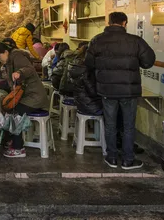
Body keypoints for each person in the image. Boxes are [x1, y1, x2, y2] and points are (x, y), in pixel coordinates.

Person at [85, 12, 156, 170]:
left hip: (107, 90)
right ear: (125, 23)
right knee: (128, 126)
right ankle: (127, 160)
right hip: (129, 91)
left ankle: (111, 158)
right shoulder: (135, 41)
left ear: (109, 22)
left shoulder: (97, 40)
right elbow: (148, 61)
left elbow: (88, 63)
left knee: (110, 125)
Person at [0, 43, 49, 158]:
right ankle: (9, 141)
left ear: (5, 52)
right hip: (27, 96)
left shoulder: (16, 56)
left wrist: (20, 72)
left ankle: (19, 148)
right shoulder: (8, 61)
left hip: (34, 97)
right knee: (9, 110)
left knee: (15, 113)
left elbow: (29, 69)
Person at [65, 43, 102, 116]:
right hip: (90, 105)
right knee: (113, 108)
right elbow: (92, 91)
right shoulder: (86, 70)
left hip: (79, 103)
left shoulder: (74, 66)